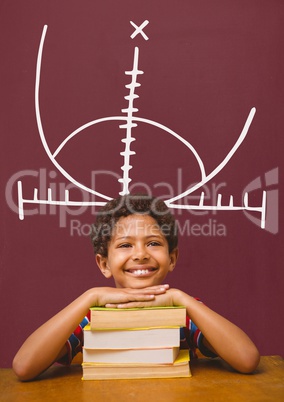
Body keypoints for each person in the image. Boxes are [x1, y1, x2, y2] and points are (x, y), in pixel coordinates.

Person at [13, 194, 260, 381]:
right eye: (125, 245)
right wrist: (90, 297)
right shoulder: (91, 315)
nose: (140, 254)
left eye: (153, 243)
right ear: (104, 263)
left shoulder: (183, 312)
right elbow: (24, 367)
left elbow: (247, 359)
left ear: (172, 258)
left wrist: (180, 298)